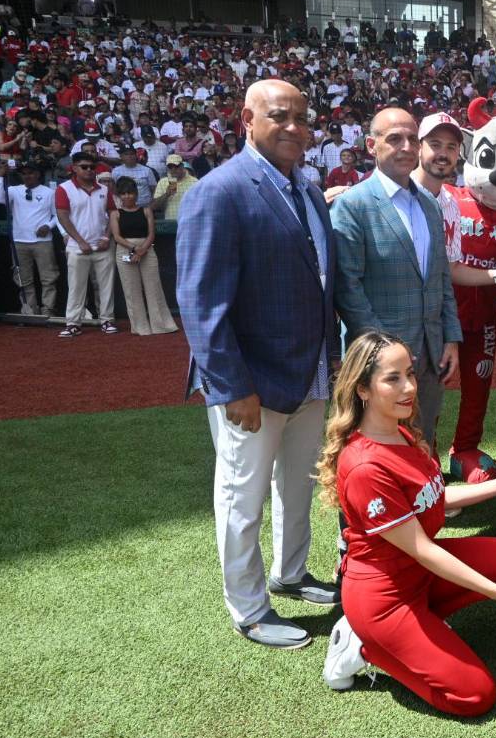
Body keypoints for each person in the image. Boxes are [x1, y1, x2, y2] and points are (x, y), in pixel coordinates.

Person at [176, 79, 340, 650]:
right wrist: (230, 387)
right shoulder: (218, 191)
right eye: (280, 116)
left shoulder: (311, 190)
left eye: (303, 118)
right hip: (251, 382)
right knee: (241, 498)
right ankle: (248, 608)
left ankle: (290, 573)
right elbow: (200, 304)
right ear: (247, 118)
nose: (295, 128)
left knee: (298, 485)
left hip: (309, 372)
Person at [317, 331, 496, 715]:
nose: (409, 387)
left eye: (411, 374)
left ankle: (420, 628)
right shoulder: (366, 465)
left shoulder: (399, 431)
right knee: (475, 696)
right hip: (385, 599)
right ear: (363, 389)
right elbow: (424, 548)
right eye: (393, 378)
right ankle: (364, 648)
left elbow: (433, 499)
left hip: (420, 574)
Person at [331, 107, 461, 445]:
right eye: (394, 139)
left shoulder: (431, 206)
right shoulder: (352, 206)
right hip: (379, 363)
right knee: (379, 452)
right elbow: (348, 288)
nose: (405, 147)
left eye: (411, 139)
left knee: (423, 442)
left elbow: (441, 278)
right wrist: (383, 351)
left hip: (432, 354)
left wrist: (450, 338)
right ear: (371, 146)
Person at [54, 151, 117, 338]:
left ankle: (107, 320)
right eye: (84, 167)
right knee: (76, 286)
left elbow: (113, 214)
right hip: (77, 247)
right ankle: (73, 322)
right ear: (74, 168)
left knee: (106, 286)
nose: (89, 170)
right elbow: (62, 217)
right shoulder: (64, 188)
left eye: (92, 167)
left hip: (102, 245)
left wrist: (107, 237)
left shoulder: (104, 190)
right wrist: (80, 241)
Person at [110, 177, 177, 335]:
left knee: (154, 287)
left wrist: (142, 249)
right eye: (124, 194)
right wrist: (134, 248)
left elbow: (151, 234)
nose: (127, 196)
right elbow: (117, 237)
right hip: (125, 250)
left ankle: (161, 325)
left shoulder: (146, 210)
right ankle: (140, 327)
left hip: (147, 249)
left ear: (136, 194)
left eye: (130, 193)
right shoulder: (115, 214)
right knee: (131, 290)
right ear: (119, 196)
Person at [0, 159, 59, 316]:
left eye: (30, 173)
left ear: (38, 174)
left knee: (48, 278)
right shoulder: (14, 190)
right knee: (24, 279)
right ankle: (30, 310)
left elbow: (58, 216)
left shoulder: (49, 192)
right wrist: (0, 176)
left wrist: (48, 226)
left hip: (43, 241)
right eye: (24, 173)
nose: (27, 176)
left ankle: (48, 310)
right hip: (19, 240)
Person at [152, 154, 198, 220]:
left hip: (189, 222)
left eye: (176, 166)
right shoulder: (162, 182)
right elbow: (154, 207)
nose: (173, 169)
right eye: (170, 167)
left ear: (182, 166)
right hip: (170, 223)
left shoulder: (194, 182)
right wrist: (166, 194)